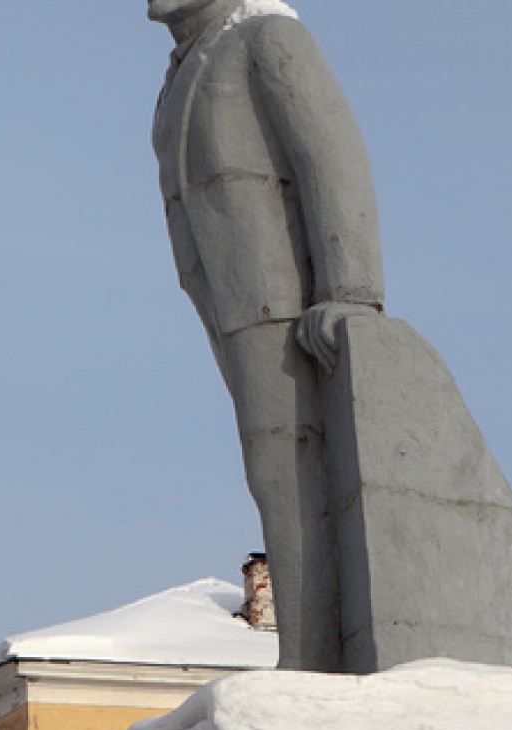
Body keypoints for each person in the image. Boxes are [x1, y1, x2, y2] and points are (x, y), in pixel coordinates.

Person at [149, 0, 382, 671]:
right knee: (275, 467)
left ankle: (311, 661)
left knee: (288, 468)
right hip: (224, 299)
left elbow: (331, 157)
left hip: (286, 304)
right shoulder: (180, 76)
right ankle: (310, 654)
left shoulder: (267, 37)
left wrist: (349, 291)